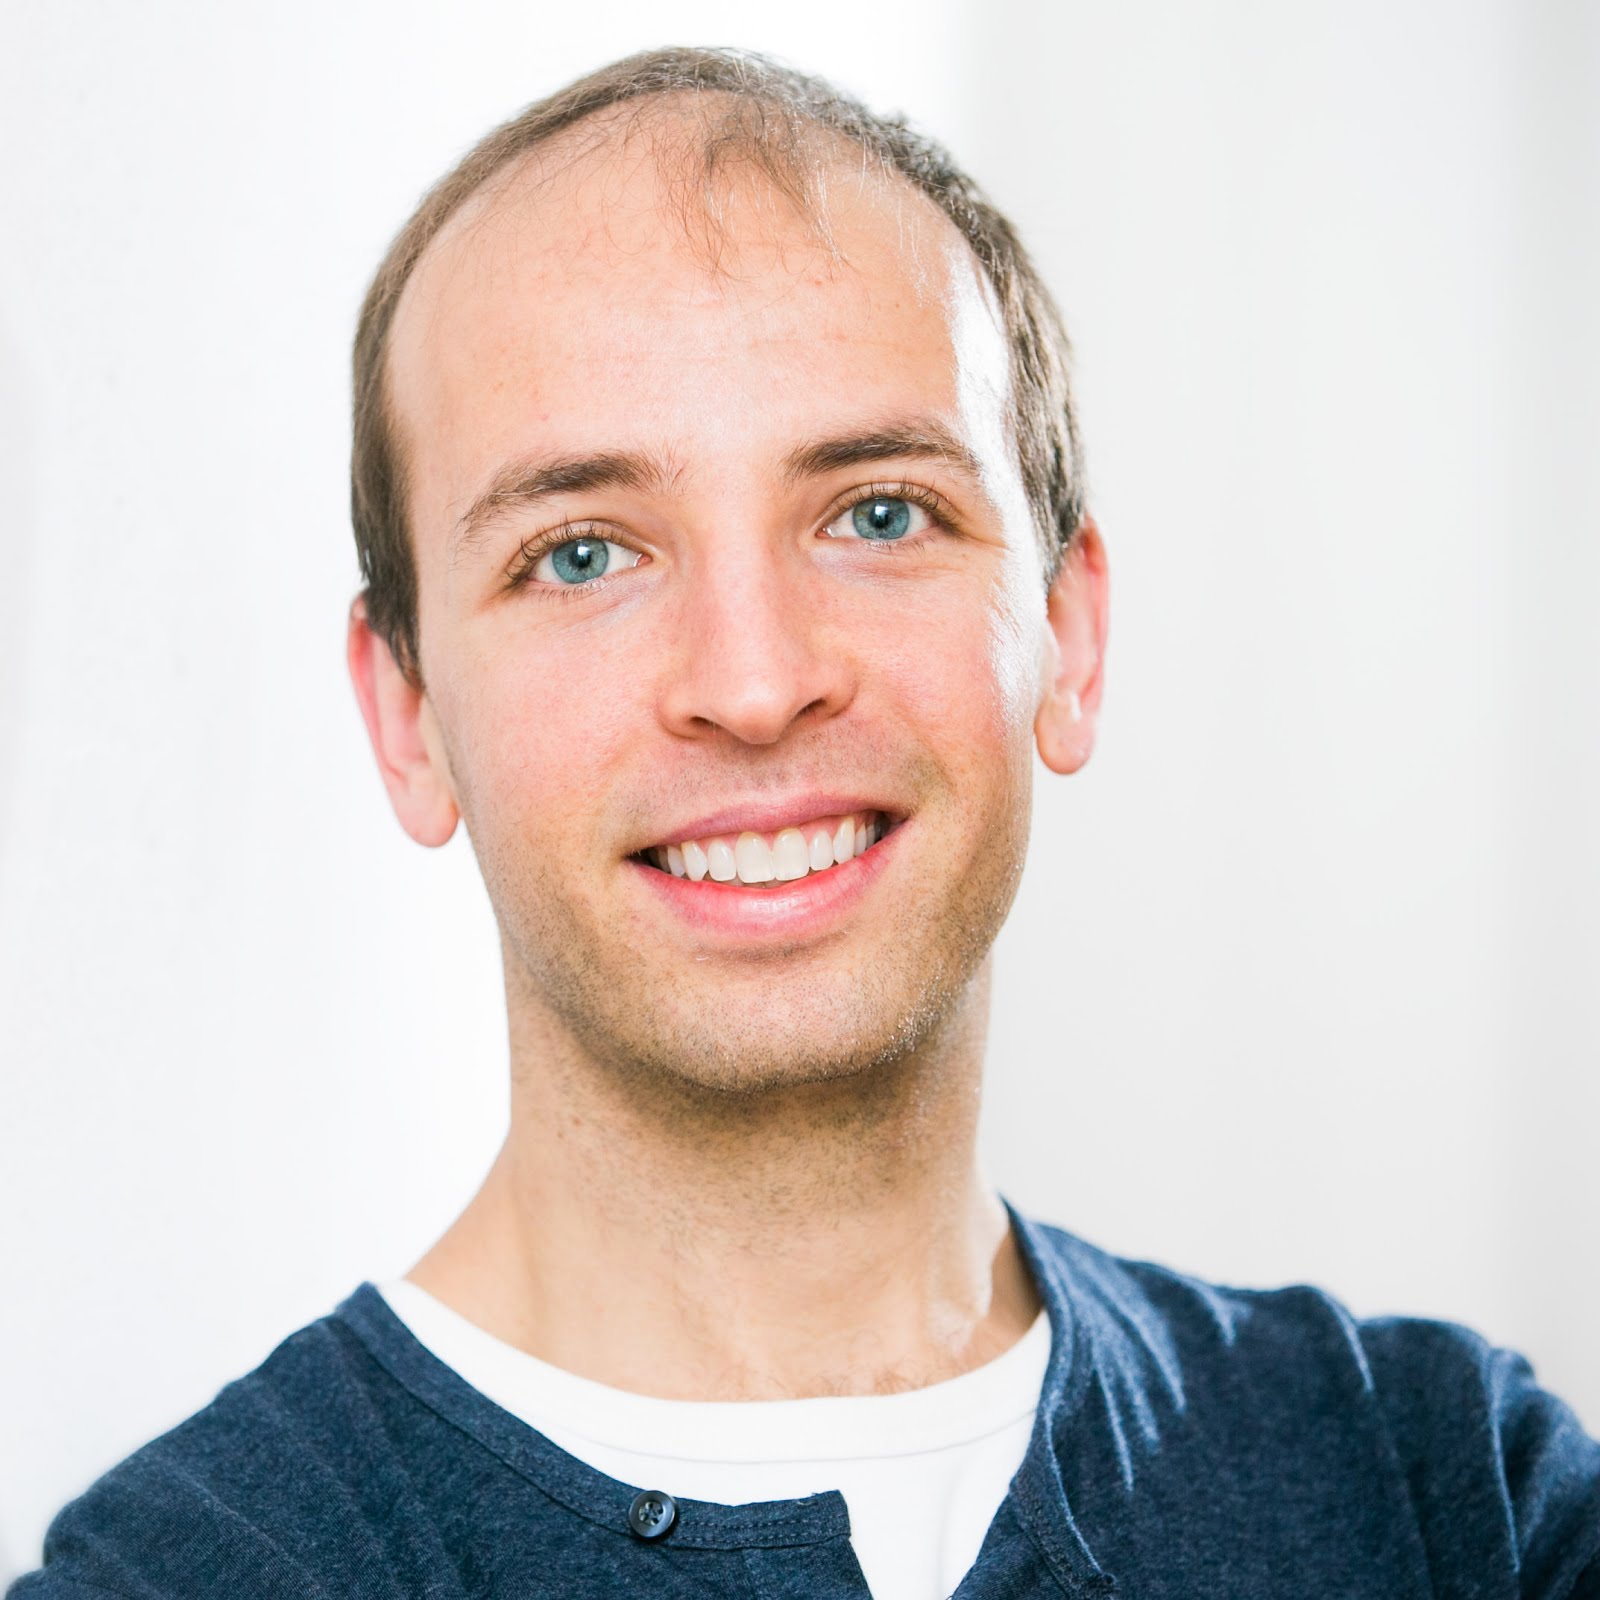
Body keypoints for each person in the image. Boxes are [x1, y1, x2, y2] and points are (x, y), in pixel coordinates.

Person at [11, 44, 1598, 1600]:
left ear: (1070, 635)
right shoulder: (185, 1579)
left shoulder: (1453, 1493)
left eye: (879, 514)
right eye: (582, 553)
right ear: (407, 716)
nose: (755, 683)